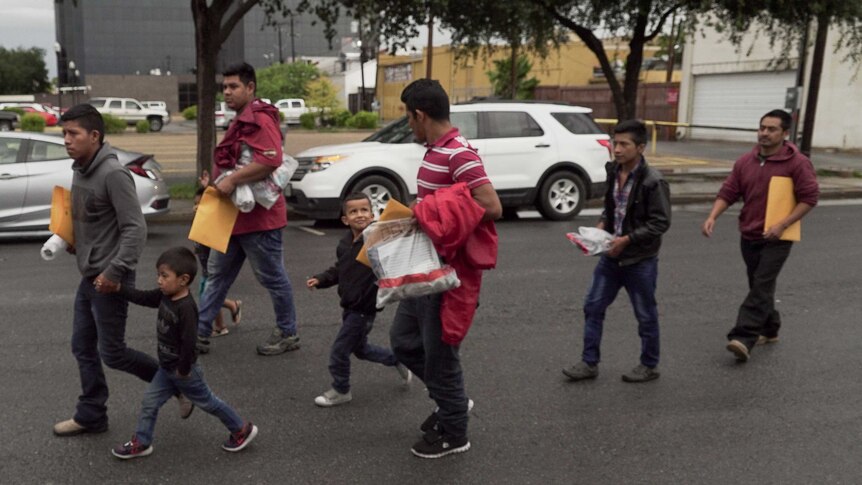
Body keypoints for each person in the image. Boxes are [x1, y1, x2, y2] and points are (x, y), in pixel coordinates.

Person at [53, 104, 191, 437]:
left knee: (112, 353)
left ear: (95, 136)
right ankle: (91, 415)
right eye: (64, 134)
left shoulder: (114, 174)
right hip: (90, 274)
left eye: (74, 134)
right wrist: (75, 241)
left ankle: (178, 384)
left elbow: (135, 229)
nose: (67, 140)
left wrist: (113, 273)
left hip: (109, 278)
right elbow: (95, 219)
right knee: (82, 346)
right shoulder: (80, 169)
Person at [391, 79, 502, 459]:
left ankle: (455, 431)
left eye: (408, 117)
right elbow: (439, 201)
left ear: (420, 115)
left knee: (440, 357)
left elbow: (491, 205)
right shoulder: (435, 150)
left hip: (446, 276)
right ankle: (451, 399)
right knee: (404, 342)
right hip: (424, 268)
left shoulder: (459, 154)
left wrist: (432, 210)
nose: (408, 124)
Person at [110, 247, 258, 459]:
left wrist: (184, 369)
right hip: (167, 367)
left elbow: (190, 342)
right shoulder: (164, 295)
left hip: (184, 370)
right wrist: (119, 288)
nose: (159, 280)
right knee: (149, 402)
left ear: (183, 279)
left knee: (208, 402)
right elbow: (142, 297)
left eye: (164, 276)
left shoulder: (186, 308)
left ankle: (241, 429)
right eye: (158, 275)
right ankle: (142, 442)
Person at [196, 61, 300, 356]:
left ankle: (288, 333)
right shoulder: (243, 117)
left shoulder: (258, 118)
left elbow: (271, 159)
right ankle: (200, 333)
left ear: (250, 88)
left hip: (260, 220)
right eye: (224, 87)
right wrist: (216, 184)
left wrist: (231, 180)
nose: (227, 92)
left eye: (234, 87)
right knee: (217, 275)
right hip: (233, 216)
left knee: (272, 278)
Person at [702, 109, 819, 362]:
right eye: (762, 128)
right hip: (750, 233)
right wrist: (713, 216)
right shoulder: (746, 161)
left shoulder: (797, 163)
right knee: (758, 285)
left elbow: (809, 199)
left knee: (762, 284)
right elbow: (729, 191)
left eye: (771, 129)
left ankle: (743, 337)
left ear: (785, 133)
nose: (764, 133)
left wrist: (783, 224)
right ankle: (770, 328)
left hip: (779, 237)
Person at [562, 120, 671, 384]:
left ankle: (649, 364)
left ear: (641, 147)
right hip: (611, 257)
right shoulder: (613, 170)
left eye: (624, 144)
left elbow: (661, 222)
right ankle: (589, 362)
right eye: (615, 142)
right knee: (593, 306)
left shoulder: (653, 181)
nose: (617, 149)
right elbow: (614, 208)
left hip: (639, 260)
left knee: (645, 314)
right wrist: (601, 229)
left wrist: (628, 239)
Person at [307, 193, 412, 407]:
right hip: (349, 305)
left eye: (364, 210)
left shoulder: (376, 243)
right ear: (345, 219)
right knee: (360, 349)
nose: (360, 215)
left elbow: (394, 261)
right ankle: (396, 359)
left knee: (339, 351)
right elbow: (340, 270)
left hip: (364, 309)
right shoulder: (345, 244)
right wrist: (321, 279)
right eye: (353, 211)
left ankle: (341, 390)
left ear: (373, 215)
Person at [193, 179, 242, 338]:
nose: (196, 208)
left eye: (200, 205)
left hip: (210, 271)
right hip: (205, 269)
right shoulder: (200, 221)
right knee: (210, 295)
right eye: (195, 205)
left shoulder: (213, 225)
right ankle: (231, 308)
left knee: (209, 295)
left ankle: (221, 325)